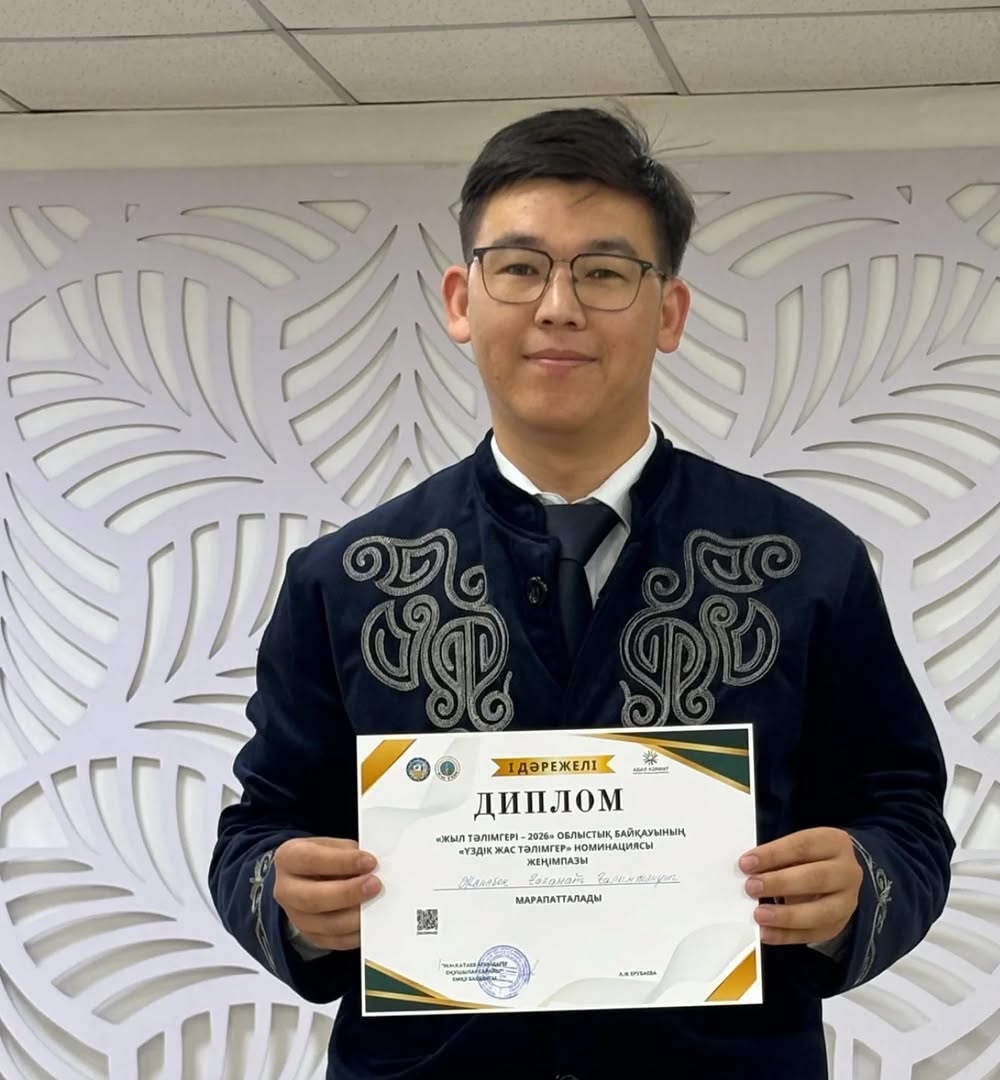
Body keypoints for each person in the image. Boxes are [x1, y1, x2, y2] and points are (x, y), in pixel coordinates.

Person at [210, 106, 954, 1079]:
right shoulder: (347, 578)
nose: (558, 306)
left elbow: (902, 812)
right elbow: (259, 827)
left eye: (604, 272)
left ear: (669, 313)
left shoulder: (802, 563)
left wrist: (861, 884)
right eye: (520, 268)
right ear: (461, 300)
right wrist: (287, 897)